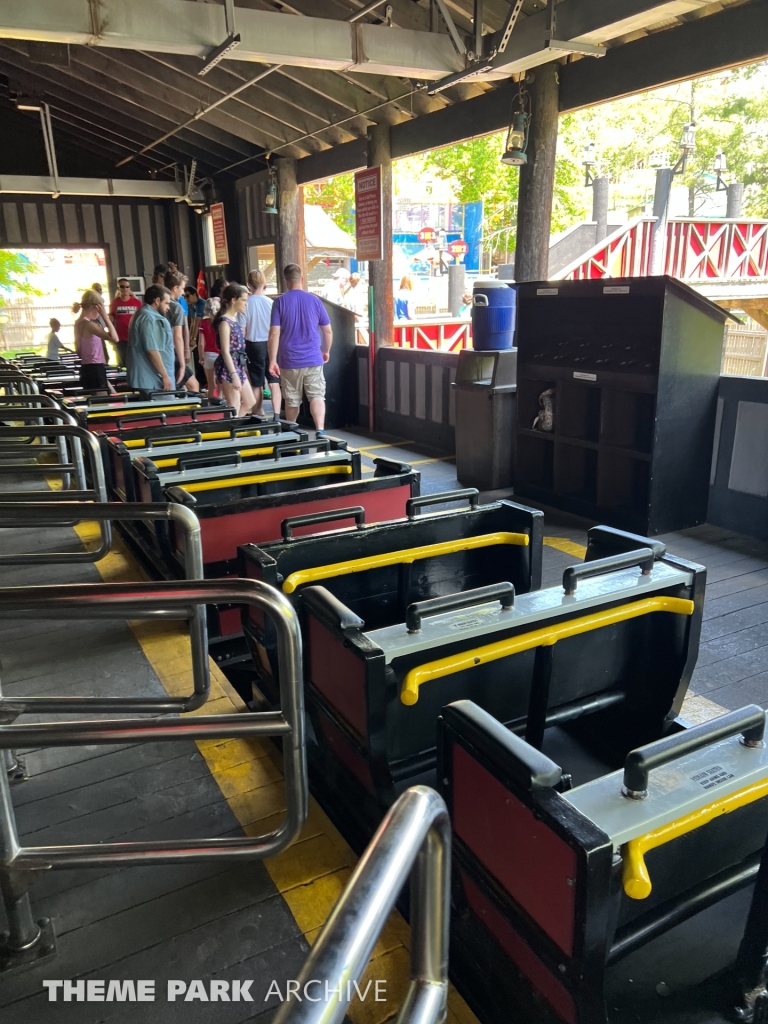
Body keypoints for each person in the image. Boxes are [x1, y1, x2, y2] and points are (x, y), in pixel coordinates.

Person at [268, 263, 332, 436]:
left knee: (292, 399)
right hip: (313, 358)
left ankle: (292, 430)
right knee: (317, 395)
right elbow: (328, 330)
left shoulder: (279, 302)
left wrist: (273, 360)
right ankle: (320, 430)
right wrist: (325, 350)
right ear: (302, 279)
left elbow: (274, 334)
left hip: (289, 360)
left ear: (286, 281)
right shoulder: (315, 300)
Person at [214, 283, 256, 416]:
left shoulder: (233, 319)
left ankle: (235, 425)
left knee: (249, 401)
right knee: (235, 405)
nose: (245, 303)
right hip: (229, 367)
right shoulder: (225, 322)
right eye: (243, 300)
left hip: (237, 364)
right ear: (233, 300)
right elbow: (225, 351)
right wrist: (233, 374)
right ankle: (234, 429)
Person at [244, 269, 281, 418]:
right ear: (264, 283)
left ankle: (258, 411)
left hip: (253, 344)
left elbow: (243, 328)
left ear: (249, 285)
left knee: (257, 381)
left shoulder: (246, 303)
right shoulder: (271, 303)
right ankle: (277, 413)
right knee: (274, 380)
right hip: (271, 343)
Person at [126, 284, 174, 393]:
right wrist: (165, 375)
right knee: (164, 408)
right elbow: (152, 350)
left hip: (149, 378)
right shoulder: (150, 318)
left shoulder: (141, 313)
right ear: (157, 301)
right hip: (154, 379)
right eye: (166, 303)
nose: (168, 307)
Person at [72, 289, 118, 394]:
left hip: (87, 368)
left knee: (113, 396)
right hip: (95, 368)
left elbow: (79, 351)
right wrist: (105, 317)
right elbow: (115, 338)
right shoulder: (88, 325)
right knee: (103, 405)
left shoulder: (78, 323)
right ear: (97, 307)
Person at [164, 270, 199, 392]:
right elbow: (177, 336)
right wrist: (183, 361)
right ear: (175, 288)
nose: (183, 292)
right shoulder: (176, 307)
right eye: (182, 289)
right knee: (193, 385)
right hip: (171, 351)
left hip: (161, 351)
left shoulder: (157, 304)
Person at [109, 279, 142, 367]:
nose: (125, 289)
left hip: (135, 338)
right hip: (121, 339)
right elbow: (111, 320)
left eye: (127, 287)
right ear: (118, 288)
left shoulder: (137, 303)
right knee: (123, 364)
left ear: (129, 288)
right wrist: (111, 336)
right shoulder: (114, 303)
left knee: (135, 363)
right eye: (122, 287)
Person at [198, 297, 220, 398]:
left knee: (211, 383)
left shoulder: (203, 322)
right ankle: (221, 401)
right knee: (220, 382)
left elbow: (201, 343)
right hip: (220, 354)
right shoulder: (221, 322)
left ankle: (212, 403)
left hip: (209, 354)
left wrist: (200, 356)